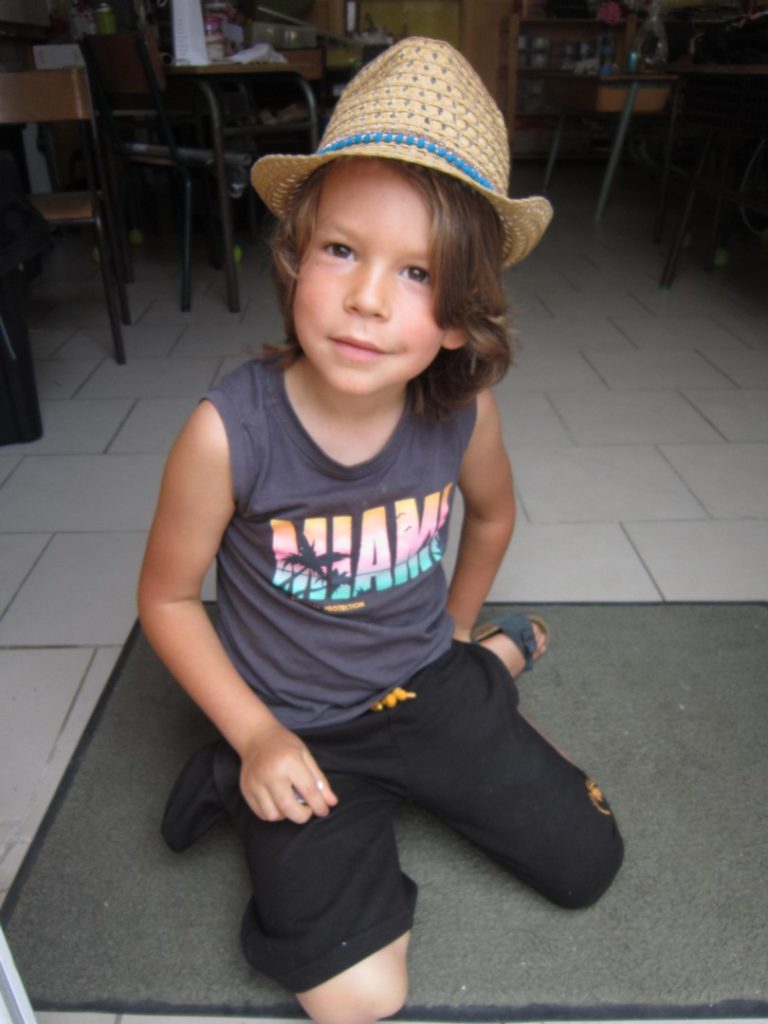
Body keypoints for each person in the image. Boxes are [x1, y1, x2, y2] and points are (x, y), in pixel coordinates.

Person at [138, 36, 623, 1024]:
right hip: (299, 717)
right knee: (360, 997)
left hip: (422, 679)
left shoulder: (463, 410)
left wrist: (454, 626)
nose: (366, 298)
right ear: (295, 256)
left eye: (417, 272)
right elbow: (167, 597)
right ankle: (239, 770)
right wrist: (257, 733)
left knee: (589, 861)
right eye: (342, 250)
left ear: (459, 318)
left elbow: (494, 512)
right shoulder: (226, 433)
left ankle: (485, 661)